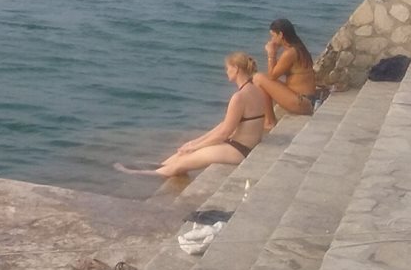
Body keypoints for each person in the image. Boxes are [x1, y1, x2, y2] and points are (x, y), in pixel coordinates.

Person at [115, 52, 266, 178]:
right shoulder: (256, 91)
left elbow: (224, 133)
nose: (226, 71)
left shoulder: (239, 97)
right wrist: (194, 143)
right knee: (179, 155)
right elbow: (223, 126)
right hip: (240, 145)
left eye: (227, 68)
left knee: (179, 165)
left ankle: (137, 175)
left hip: (240, 150)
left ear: (236, 69)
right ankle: (155, 168)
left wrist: (197, 147)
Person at [253, 18, 317, 129]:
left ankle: (269, 121)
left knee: (258, 78)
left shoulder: (290, 53)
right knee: (262, 82)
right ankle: (269, 119)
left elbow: (272, 76)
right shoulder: (299, 48)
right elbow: (277, 71)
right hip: (307, 100)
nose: (271, 40)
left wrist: (271, 54)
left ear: (281, 35)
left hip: (302, 102)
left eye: (273, 36)